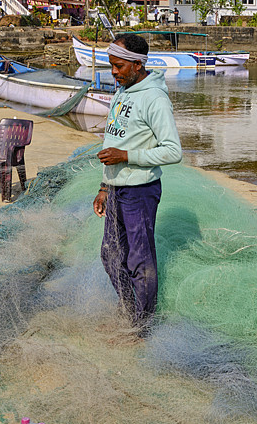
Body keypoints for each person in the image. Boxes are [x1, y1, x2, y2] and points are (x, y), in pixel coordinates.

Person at [93, 34, 182, 337]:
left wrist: (127, 156)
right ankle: (130, 312)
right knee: (110, 255)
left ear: (137, 65)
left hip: (140, 191)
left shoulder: (154, 98)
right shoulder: (122, 91)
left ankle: (142, 327)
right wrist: (105, 186)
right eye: (111, 65)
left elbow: (173, 151)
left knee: (139, 260)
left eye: (118, 66)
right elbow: (113, 140)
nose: (113, 72)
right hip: (116, 188)